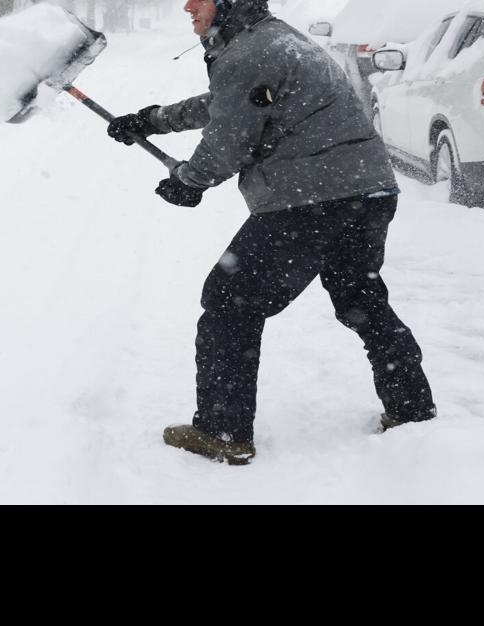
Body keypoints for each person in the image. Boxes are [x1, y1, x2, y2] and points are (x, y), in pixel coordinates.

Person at [107, 0, 437, 466]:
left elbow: (228, 140)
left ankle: (223, 432)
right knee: (360, 296)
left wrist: (189, 181)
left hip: (313, 199)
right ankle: (412, 409)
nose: (187, 6)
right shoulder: (272, 39)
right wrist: (155, 119)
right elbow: (231, 105)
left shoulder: (249, 52)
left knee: (229, 300)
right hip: (368, 189)